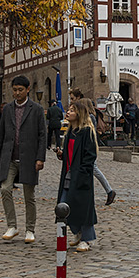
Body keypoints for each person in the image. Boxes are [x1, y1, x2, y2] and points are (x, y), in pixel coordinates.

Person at [0, 75, 47, 243]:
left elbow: (42, 135)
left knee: (29, 196)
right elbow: (0, 135)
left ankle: (30, 229)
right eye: (14, 90)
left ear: (28, 90)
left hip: (29, 158)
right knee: (5, 189)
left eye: (20, 90)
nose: (17, 93)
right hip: (9, 157)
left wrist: (40, 158)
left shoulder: (36, 109)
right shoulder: (7, 109)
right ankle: (12, 225)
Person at [58, 99, 100, 252]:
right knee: (63, 206)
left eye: (72, 110)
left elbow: (90, 156)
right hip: (69, 175)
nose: (68, 112)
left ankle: (87, 239)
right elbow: (70, 155)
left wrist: (82, 173)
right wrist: (61, 155)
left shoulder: (87, 131)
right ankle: (77, 232)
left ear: (79, 114)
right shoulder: (70, 132)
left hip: (81, 176)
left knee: (83, 208)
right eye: (68, 109)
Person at [69, 88, 116, 205]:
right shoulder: (90, 117)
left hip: (90, 147)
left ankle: (109, 191)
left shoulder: (90, 118)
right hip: (88, 146)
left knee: (93, 168)